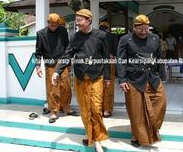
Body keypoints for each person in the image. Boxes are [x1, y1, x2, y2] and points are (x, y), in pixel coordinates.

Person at [52, 9, 111, 152]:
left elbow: (106, 57)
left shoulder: (101, 35)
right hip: (80, 77)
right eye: (76, 20)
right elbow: (67, 55)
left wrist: (108, 76)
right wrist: (57, 71)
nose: (77, 23)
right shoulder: (75, 36)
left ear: (88, 20)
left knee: (96, 109)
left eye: (80, 20)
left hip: (96, 76)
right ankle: (89, 133)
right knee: (85, 109)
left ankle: (97, 140)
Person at [116, 14, 167, 147]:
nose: (144, 31)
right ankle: (136, 135)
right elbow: (120, 60)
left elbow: (160, 58)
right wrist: (121, 80)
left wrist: (163, 77)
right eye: (140, 29)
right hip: (133, 79)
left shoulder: (155, 38)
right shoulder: (125, 39)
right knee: (135, 110)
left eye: (146, 28)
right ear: (134, 27)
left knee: (161, 101)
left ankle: (150, 129)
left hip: (153, 77)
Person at [35, 13, 78, 124]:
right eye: (52, 24)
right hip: (50, 63)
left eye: (56, 25)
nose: (54, 27)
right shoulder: (41, 34)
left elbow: (67, 47)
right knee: (53, 88)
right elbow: (38, 52)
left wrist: (68, 64)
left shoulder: (63, 31)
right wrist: (37, 66)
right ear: (48, 23)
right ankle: (54, 111)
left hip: (62, 61)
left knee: (66, 86)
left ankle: (66, 107)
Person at [99, 21, 119, 118]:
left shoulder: (96, 35)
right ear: (108, 28)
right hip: (110, 63)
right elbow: (116, 52)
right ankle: (107, 110)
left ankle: (99, 108)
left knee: (98, 86)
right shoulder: (113, 37)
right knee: (109, 86)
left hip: (97, 63)